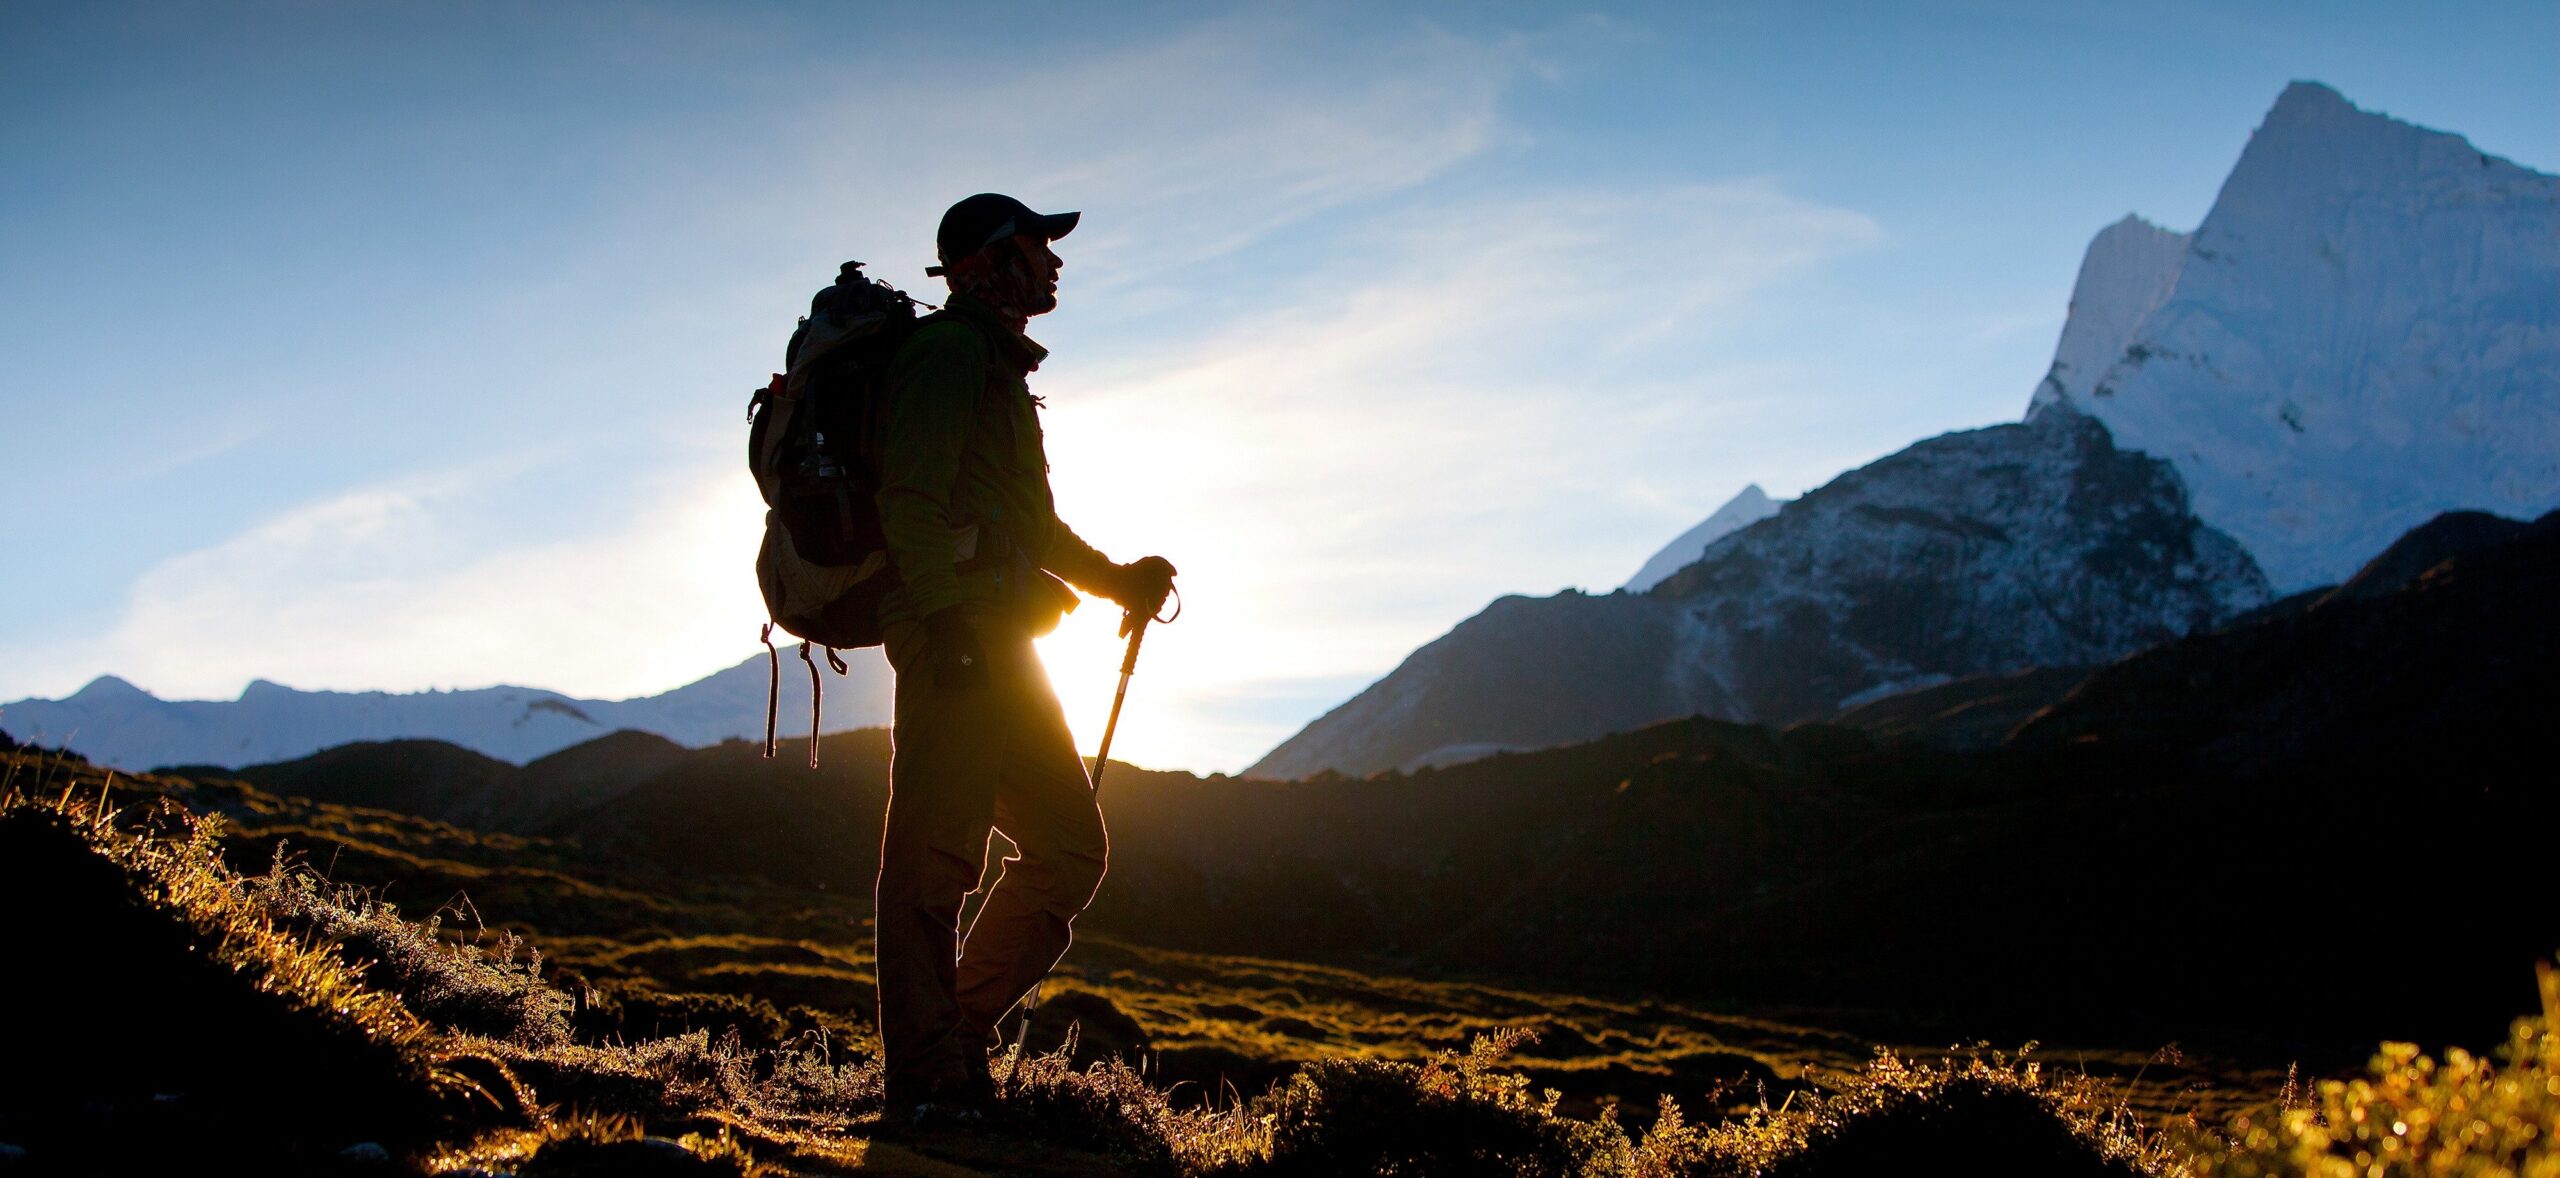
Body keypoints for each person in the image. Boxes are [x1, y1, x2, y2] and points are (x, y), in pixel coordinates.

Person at [870, 193, 1176, 1121]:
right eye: (1036, 245)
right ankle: (926, 1083)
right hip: (958, 639)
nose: (1053, 261)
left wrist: (1119, 580)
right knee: (935, 859)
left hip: (1001, 641)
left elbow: (1029, 527)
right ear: (987, 262)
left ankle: (954, 1045)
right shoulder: (949, 355)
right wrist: (949, 625)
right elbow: (908, 499)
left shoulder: (996, 371)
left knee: (1070, 848)